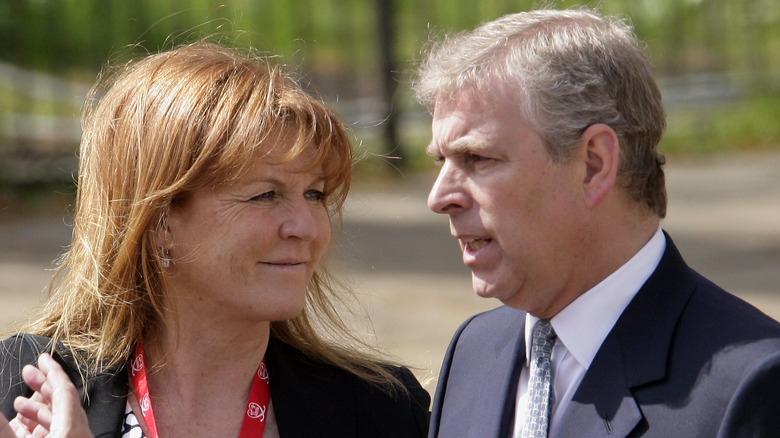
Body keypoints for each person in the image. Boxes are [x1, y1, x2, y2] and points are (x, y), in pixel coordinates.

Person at [0, 42, 430, 437]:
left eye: (313, 194)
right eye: (266, 195)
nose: (308, 227)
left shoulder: (381, 411)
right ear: (159, 221)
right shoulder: (23, 385)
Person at [413, 7, 780, 438]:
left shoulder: (750, 386)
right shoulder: (473, 352)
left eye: (476, 158)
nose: (439, 198)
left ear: (593, 164)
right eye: (442, 160)